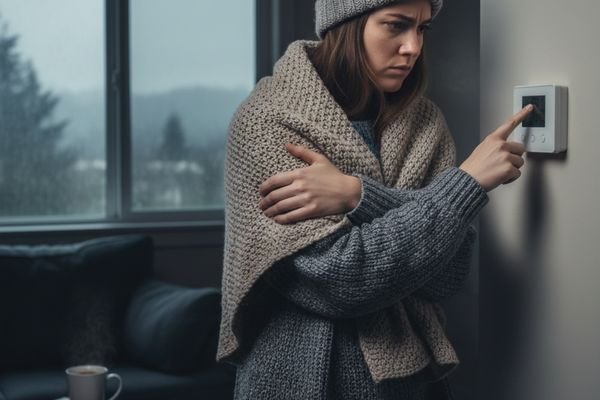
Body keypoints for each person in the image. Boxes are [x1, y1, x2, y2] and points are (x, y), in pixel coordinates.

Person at [216, 0, 534, 399]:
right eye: (396, 26)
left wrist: (357, 195)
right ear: (346, 24)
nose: (413, 47)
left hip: (415, 381)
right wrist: (464, 185)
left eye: (422, 29)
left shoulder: (425, 123)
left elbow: (449, 274)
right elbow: (341, 280)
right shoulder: (265, 123)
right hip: (303, 381)